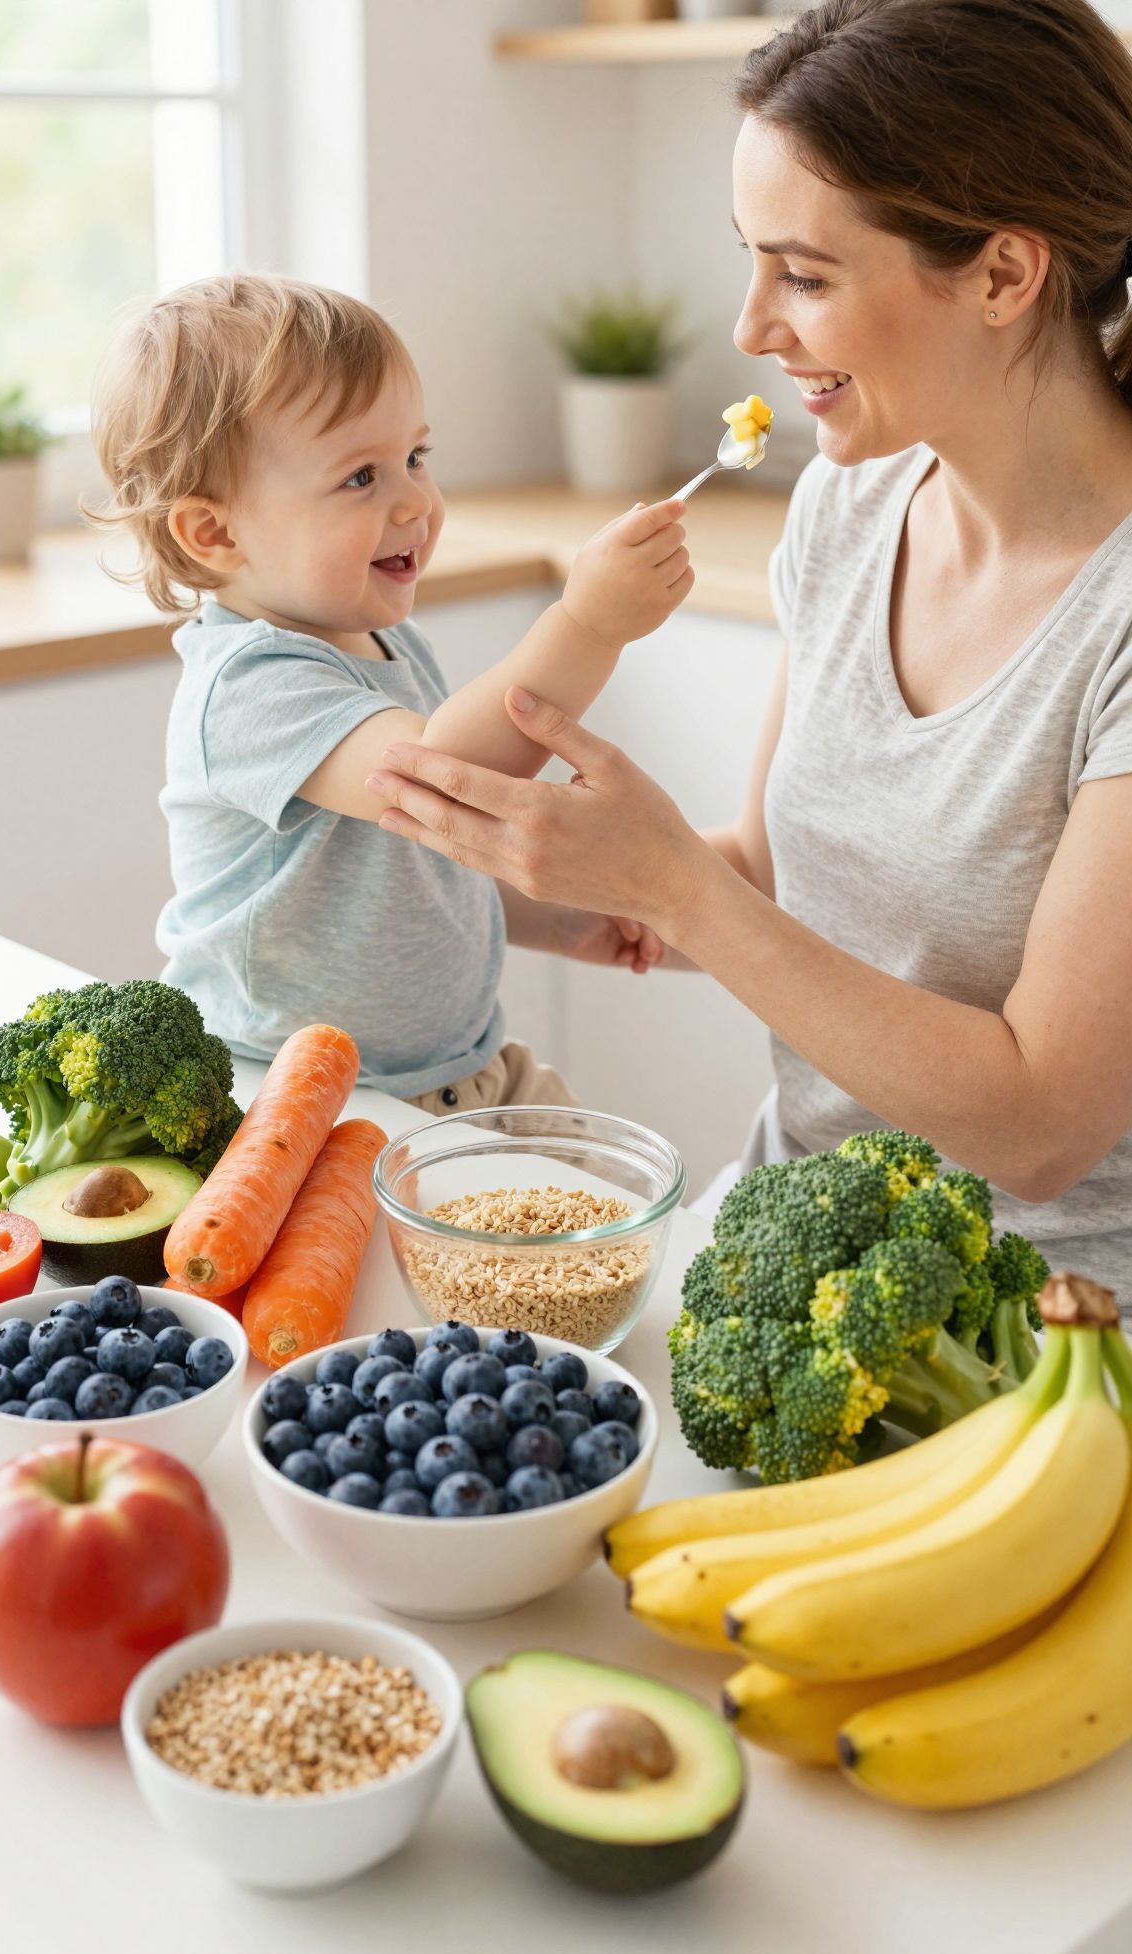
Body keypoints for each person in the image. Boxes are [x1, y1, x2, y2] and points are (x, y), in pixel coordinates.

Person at [359, 0, 1132, 1310]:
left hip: (1050, 1326)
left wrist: (673, 883)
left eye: (807, 275)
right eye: (751, 262)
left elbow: (1040, 1124)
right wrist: (441, 891)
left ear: (1005, 276)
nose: (751, 327)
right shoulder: (847, 507)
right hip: (794, 1247)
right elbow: (772, 878)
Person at [89, 275, 690, 1112]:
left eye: (414, 457)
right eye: (360, 478)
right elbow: (441, 776)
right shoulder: (249, 687)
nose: (415, 499)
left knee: (609, 1210)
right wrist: (589, 624)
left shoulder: (387, 645)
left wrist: (562, 922)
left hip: (458, 1069)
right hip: (297, 1104)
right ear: (216, 533)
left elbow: (440, 849)